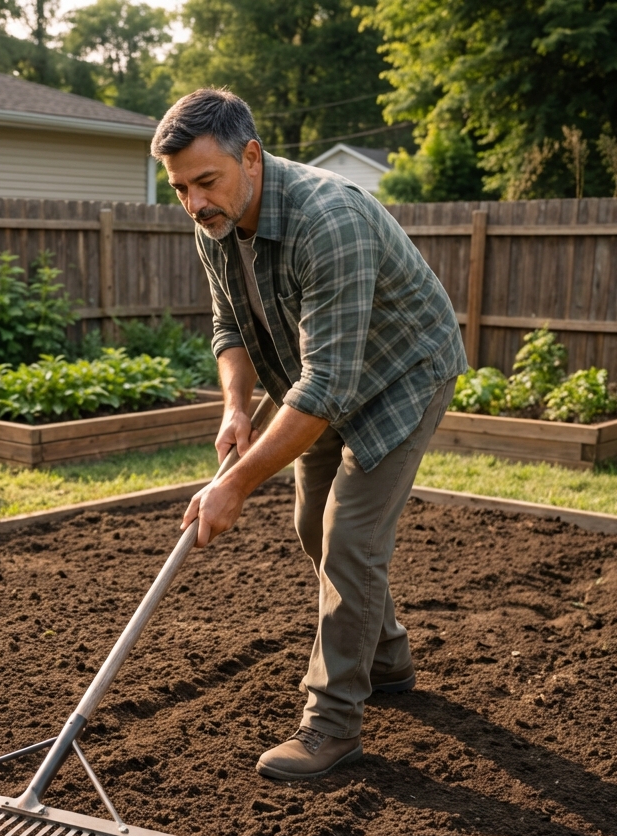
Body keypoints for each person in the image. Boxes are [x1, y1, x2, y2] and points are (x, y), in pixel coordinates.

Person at [152, 89, 467, 781]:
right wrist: (235, 409)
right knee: (312, 526)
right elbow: (230, 327)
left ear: (252, 157)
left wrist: (235, 483)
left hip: (403, 372)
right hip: (317, 377)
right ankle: (385, 659)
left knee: (352, 537)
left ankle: (332, 724)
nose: (194, 201)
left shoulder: (330, 219)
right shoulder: (215, 222)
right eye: (179, 188)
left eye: (206, 181)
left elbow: (330, 389)